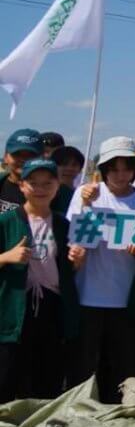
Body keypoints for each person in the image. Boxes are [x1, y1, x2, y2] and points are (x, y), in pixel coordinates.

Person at [67, 136, 135, 403]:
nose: (120, 174)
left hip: (125, 296)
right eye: (113, 168)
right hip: (88, 294)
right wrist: (85, 202)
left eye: (126, 167)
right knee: (85, 363)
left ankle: (117, 412)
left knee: (122, 363)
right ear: (103, 169)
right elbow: (74, 235)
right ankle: (81, 409)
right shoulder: (87, 192)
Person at [0, 159, 82, 400]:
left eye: (48, 182)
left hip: (52, 309)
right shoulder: (7, 221)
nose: (41, 188)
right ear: (23, 186)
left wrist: (77, 260)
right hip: (14, 309)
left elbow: (69, 270)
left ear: (58, 186)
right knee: (7, 379)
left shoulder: (63, 225)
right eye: (33, 183)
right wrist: (6, 257)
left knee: (47, 381)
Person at [0, 129, 42, 214]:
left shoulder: (54, 193)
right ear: (5, 157)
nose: (23, 160)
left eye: (31, 155)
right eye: (17, 154)